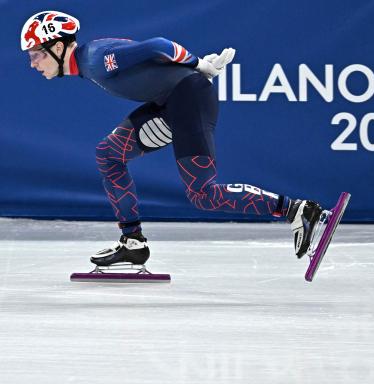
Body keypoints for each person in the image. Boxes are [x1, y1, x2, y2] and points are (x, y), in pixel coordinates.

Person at [21, 10, 323, 268]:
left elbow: (157, 45)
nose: (32, 64)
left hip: (188, 98)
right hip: (169, 102)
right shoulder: (89, 62)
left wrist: (197, 65)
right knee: (108, 154)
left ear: (58, 47)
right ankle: (133, 242)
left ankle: (296, 209)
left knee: (202, 194)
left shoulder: (96, 59)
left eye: (36, 54)